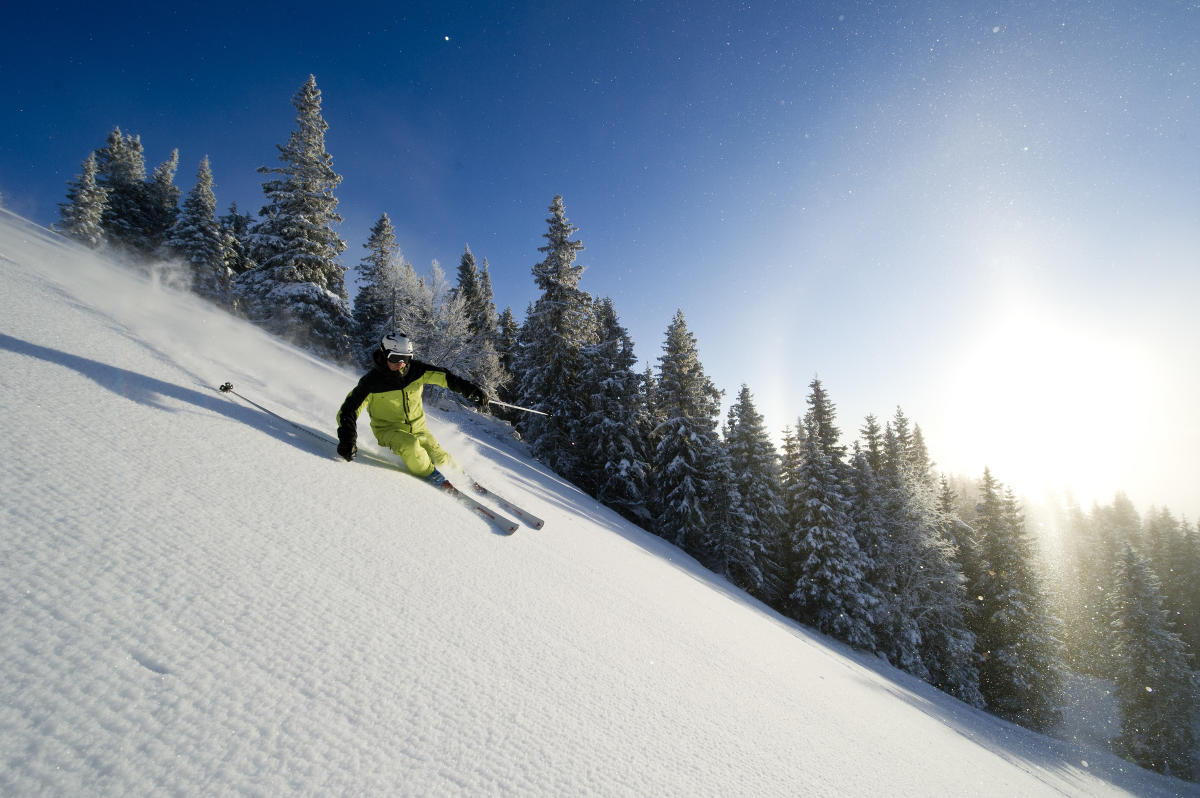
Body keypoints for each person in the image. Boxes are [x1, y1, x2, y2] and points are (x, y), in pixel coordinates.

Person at [336, 332, 489, 487]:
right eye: (395, 358)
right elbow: (349, 410)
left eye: (406, 358)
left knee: (441, 457)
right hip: (388, 431)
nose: (401, 363)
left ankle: (463, 480)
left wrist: (472, 390)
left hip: (419, 428)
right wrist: (347, 439)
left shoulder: (416, 371)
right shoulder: (371, 382)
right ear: (384, 354)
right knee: (411, 445)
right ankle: (431, 475)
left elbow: (445, 377)